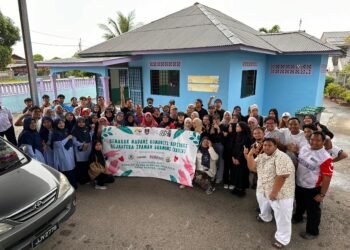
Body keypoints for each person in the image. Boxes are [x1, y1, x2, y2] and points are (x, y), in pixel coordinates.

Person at [245, 138, 295, 248]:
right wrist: (249, 155)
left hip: (281, 193)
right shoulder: (263, 156)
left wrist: (274, 193)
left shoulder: (281, 157)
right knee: (263, 203)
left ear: (275, 146)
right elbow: (252, 168)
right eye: (265, 145)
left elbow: (282, 176)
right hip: (265, 188)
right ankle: (265, 217)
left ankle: (283, 239)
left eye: (269, 145)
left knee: (282, 216)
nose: (266, 147)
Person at [292, 131, 333, 240]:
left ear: (323, 142)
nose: (314, 142)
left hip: (312, 188)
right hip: (299, 183)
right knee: (299, 203)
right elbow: (300, 160)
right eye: (312, 140)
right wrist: (296, 153)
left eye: (318, 140)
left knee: (313, 211)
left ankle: (312, 231)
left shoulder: (325, 157)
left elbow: (327, 178)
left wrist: (322, 194)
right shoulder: (305, 147)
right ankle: (298, 217)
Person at [52, 118, 77, 189]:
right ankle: (69, 187)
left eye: (62, 122)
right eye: (59, 123)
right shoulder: (55, 133)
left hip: (69, 152)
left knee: (71, 168)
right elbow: (58, 144)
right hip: (62, 154)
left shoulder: (65, 130)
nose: (61, 124)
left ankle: (73, 185)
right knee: (66, 170)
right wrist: (68, 138)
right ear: (56, 125)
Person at [231, 121, 252, 197]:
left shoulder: (247, 138)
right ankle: (236, 187)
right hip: (235, 157)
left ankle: (242, 190)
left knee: (242, 174)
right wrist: (233, 157)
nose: (236, 128)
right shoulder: (237, 135)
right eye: (236, 126)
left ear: (242, 128)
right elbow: (234, 147)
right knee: (236, 173)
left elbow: (245, 149)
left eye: (238, 126)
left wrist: (239, 159)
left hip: (242, 159)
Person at [72, 117, 93, 185]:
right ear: (77, 123)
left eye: (83, 122)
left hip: (87, 149)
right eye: (79, 122)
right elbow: (74, 142)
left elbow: (89, 137)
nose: (81, 124)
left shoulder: (86, 128)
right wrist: (83, 144)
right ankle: (81, 180)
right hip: (80, 150)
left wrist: (87, 144)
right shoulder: (75, 130)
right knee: (80, 166)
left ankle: (86, 179)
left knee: (86, 164)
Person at [210, 115, 224, 183]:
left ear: (219, 119)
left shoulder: (222, 126)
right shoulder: (211, 126)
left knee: (221, 161)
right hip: (212, 145)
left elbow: (222, 137)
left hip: (220, 145)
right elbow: (211, 136)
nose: (215, 120)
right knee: (213, 161)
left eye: (217, 119)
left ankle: (219, 177)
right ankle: (213, 176)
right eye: (214, 119)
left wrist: (218, 128)